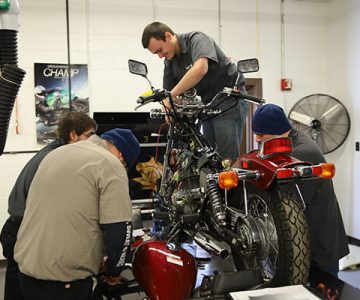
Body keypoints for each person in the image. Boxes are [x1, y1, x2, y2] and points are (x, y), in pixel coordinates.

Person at [13, 128, 140, 300]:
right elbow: (120, 228)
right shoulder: (110, 163)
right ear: (121, 156)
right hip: (64, 280)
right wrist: (113, 271)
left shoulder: (56, 153)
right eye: (125, 164)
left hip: (27, 269)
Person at [0, 112, 97, 300]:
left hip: (16, 228)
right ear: (73, 135)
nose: (94, 143)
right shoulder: (57, 159)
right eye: (89, 135)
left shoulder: (51, 153)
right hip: (21, 230)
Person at [251, 103, 349, 278]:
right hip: (301, 243)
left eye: (260, 134)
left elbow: (287, 203)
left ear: (275, 130)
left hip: (318, 247)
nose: (257, 139)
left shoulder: (302, 153)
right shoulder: (288, 143)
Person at [141, 21, 248, 160]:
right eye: (156, 53)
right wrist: (167, 108)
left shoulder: (197, 40)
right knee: (208, 159)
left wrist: (171, 95)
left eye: (160, 50)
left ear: (168, 36)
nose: (160, 56)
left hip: (228, 101)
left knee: (226, 160)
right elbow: (168, 94)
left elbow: (200, 69)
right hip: (208, 106)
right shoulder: (170, 61)